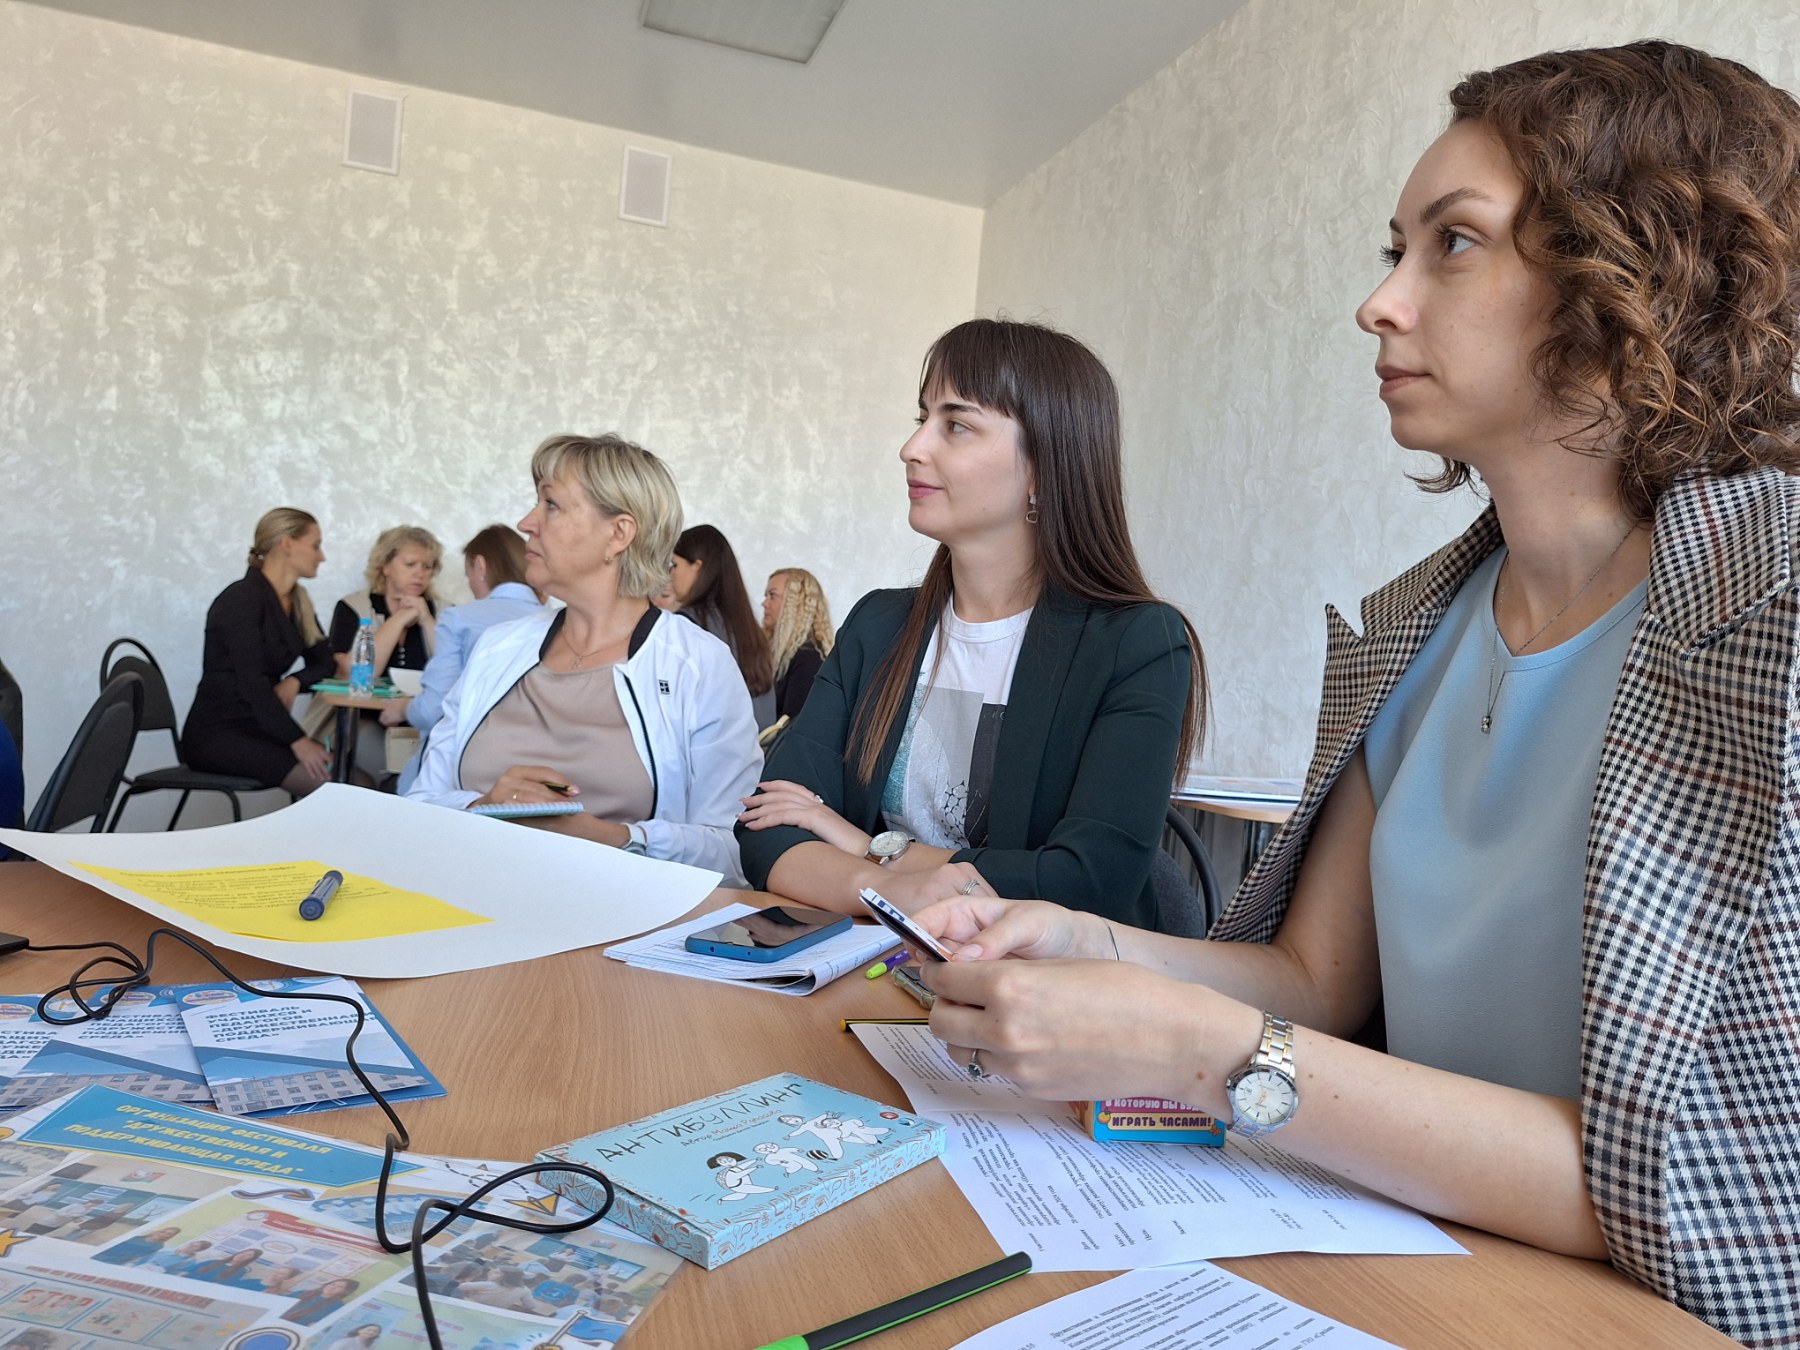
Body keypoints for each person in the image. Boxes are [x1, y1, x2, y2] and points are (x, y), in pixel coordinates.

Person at [910, 42, 1800, 1346]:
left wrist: (1207, 1057)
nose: (1380, 304)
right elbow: (1314, 980)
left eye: (1453, 243)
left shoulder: (1775, 615)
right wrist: (1087, 943)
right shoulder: (1416, 625)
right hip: (1406, 1263)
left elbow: (1728, 1198)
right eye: (1396, 249)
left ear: (1640, 270)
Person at [735, 318, 1205, 926]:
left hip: (1045, 978)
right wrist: (891, 894)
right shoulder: (879, 625)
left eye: (956, 425)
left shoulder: (1137, 644)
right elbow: (769, 828)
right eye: (921, 418)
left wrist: (867, 847)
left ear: (1043, 467)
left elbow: (1088, 883)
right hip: (886, 955)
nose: (912, 448)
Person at [408, 434, 761, 882]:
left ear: (619, 533)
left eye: (551, 505)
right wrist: (483, 806)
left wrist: (614, 837)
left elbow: (734, 852)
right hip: (466, 896)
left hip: (620, 915)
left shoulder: (697, 665)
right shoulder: (498, 649)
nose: (526, 522)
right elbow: (419, 805)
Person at [181, 508, 335, 797]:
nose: (322, 556)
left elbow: (326, 663)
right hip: (217, 735)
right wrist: (298, 741)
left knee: (351, 779)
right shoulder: (241, 599)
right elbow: (252, 684)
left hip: (262, 729)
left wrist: (295, 681)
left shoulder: (298, 602)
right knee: (338, 788)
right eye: (316, 546)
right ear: (287, 544)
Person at [381, 524, 545, 792]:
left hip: (460, 773)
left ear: (480, 566)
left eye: (468, 574)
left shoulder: (460, 619)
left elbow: (432, 710)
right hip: (529, 771)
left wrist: (402, 709)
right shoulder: (556, 622)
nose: (469, 584)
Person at [311, 525, 443, 781]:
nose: (420, 573)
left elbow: (452, 671)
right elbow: (358, 673)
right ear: (385, 567)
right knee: (398, 769)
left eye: (427, 567)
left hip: (422, 719)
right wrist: (400, 618)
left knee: (434, 766)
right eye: (410, 564)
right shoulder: (354, 606)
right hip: (362, 719)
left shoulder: (443, 610)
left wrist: (426, 619)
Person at [671, 524, 777, 729]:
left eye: (674, 565)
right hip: (756, 745)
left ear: (697, 566)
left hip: (710, 744)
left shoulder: (687, 625)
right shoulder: (748, 626)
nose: (670, 574)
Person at [761, 568, 834, 723]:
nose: (764, 603)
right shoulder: (776, 651)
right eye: (766, 596)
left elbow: (790, 725)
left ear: (796, 602)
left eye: (772, 595)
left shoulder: (808, 657)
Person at [285, 1276, 361, 1326]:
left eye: (340, 1287)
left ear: (345, 1291)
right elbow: (280, 1303)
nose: (333, 1287)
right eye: (333, 1284)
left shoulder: (338, 1307)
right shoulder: (302, 1292)